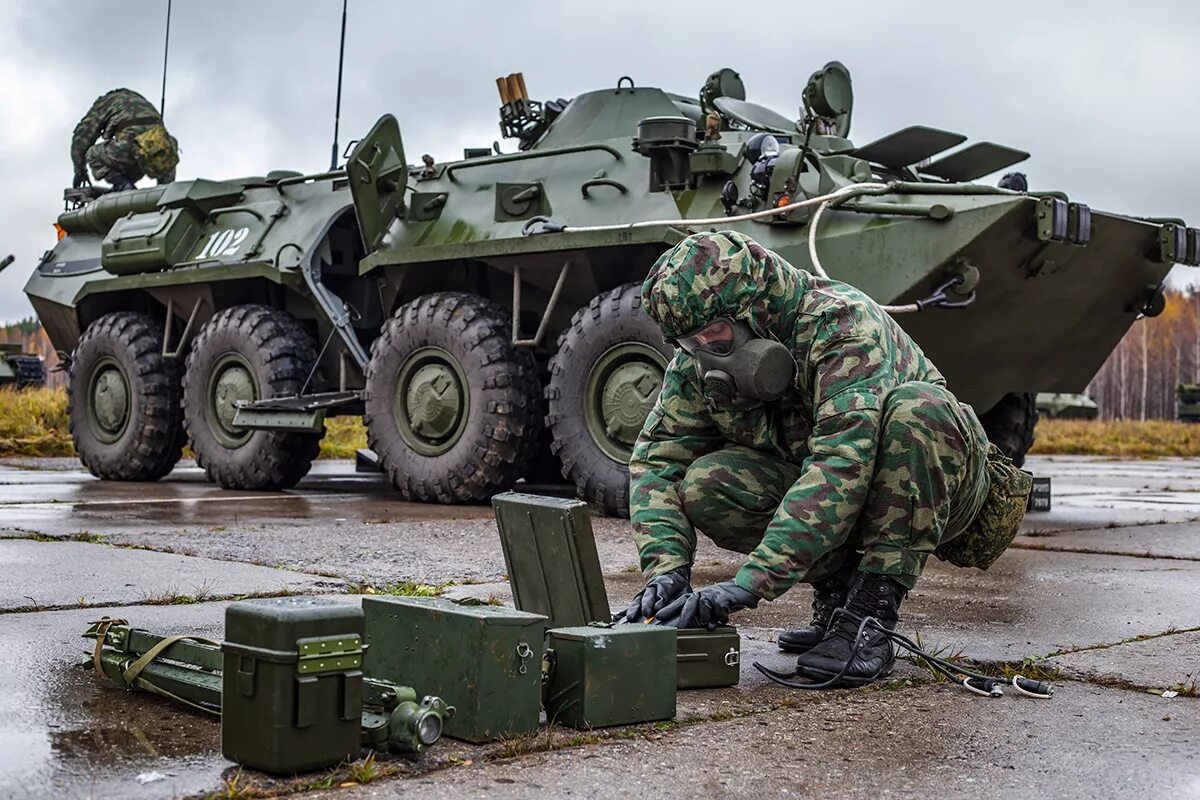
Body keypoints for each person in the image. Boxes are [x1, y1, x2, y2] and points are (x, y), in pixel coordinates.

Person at [624, 230, 1030, 686]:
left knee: (920, 412)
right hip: (833, 496)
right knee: (708, 484)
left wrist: (749, 583)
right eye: (687, 343)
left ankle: (872, 611)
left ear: (753, 310)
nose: (703, 356)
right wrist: (666, 570)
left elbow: (841, 464)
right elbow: (657, 459)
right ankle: (840, 595)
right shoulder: (698, 360)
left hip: (931, 491)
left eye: (714, 336)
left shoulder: (843, 325)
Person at [71, 88, 179, 192]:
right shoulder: (139, 100)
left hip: (130, 148)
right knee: (165, 150)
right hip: (162, 153)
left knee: (92, 154)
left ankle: (123, 186)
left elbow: (81, 138)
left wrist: (80, 170)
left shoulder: (105, 103)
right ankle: (166, 192)